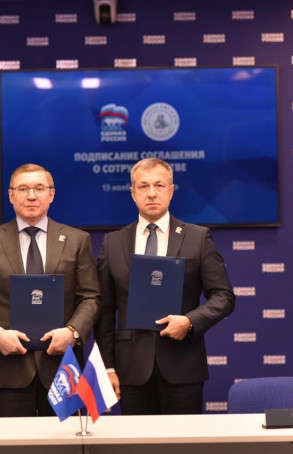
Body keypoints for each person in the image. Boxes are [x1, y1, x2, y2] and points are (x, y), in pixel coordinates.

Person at [94, 157, 235, 415]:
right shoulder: (112, 243)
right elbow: (104, 311)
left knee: (183, 439)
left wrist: (190, 322)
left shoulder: (197, 238)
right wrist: (108, 367)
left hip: (183, 365)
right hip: (130, 370)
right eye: (143, 186)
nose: (151, 193)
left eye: (159, 185)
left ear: (171, 190)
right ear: (132, 193)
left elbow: (224, 296)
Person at [0, 163, 100, 417]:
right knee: (12, 440)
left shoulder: (77, 240)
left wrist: (72, 332)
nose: (31, 195)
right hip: (7, 367)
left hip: (63, 369)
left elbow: (90, 297)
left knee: (65, 441)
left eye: (39, 188)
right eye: (23, 189)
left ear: (51, 194)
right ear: (11, 195)